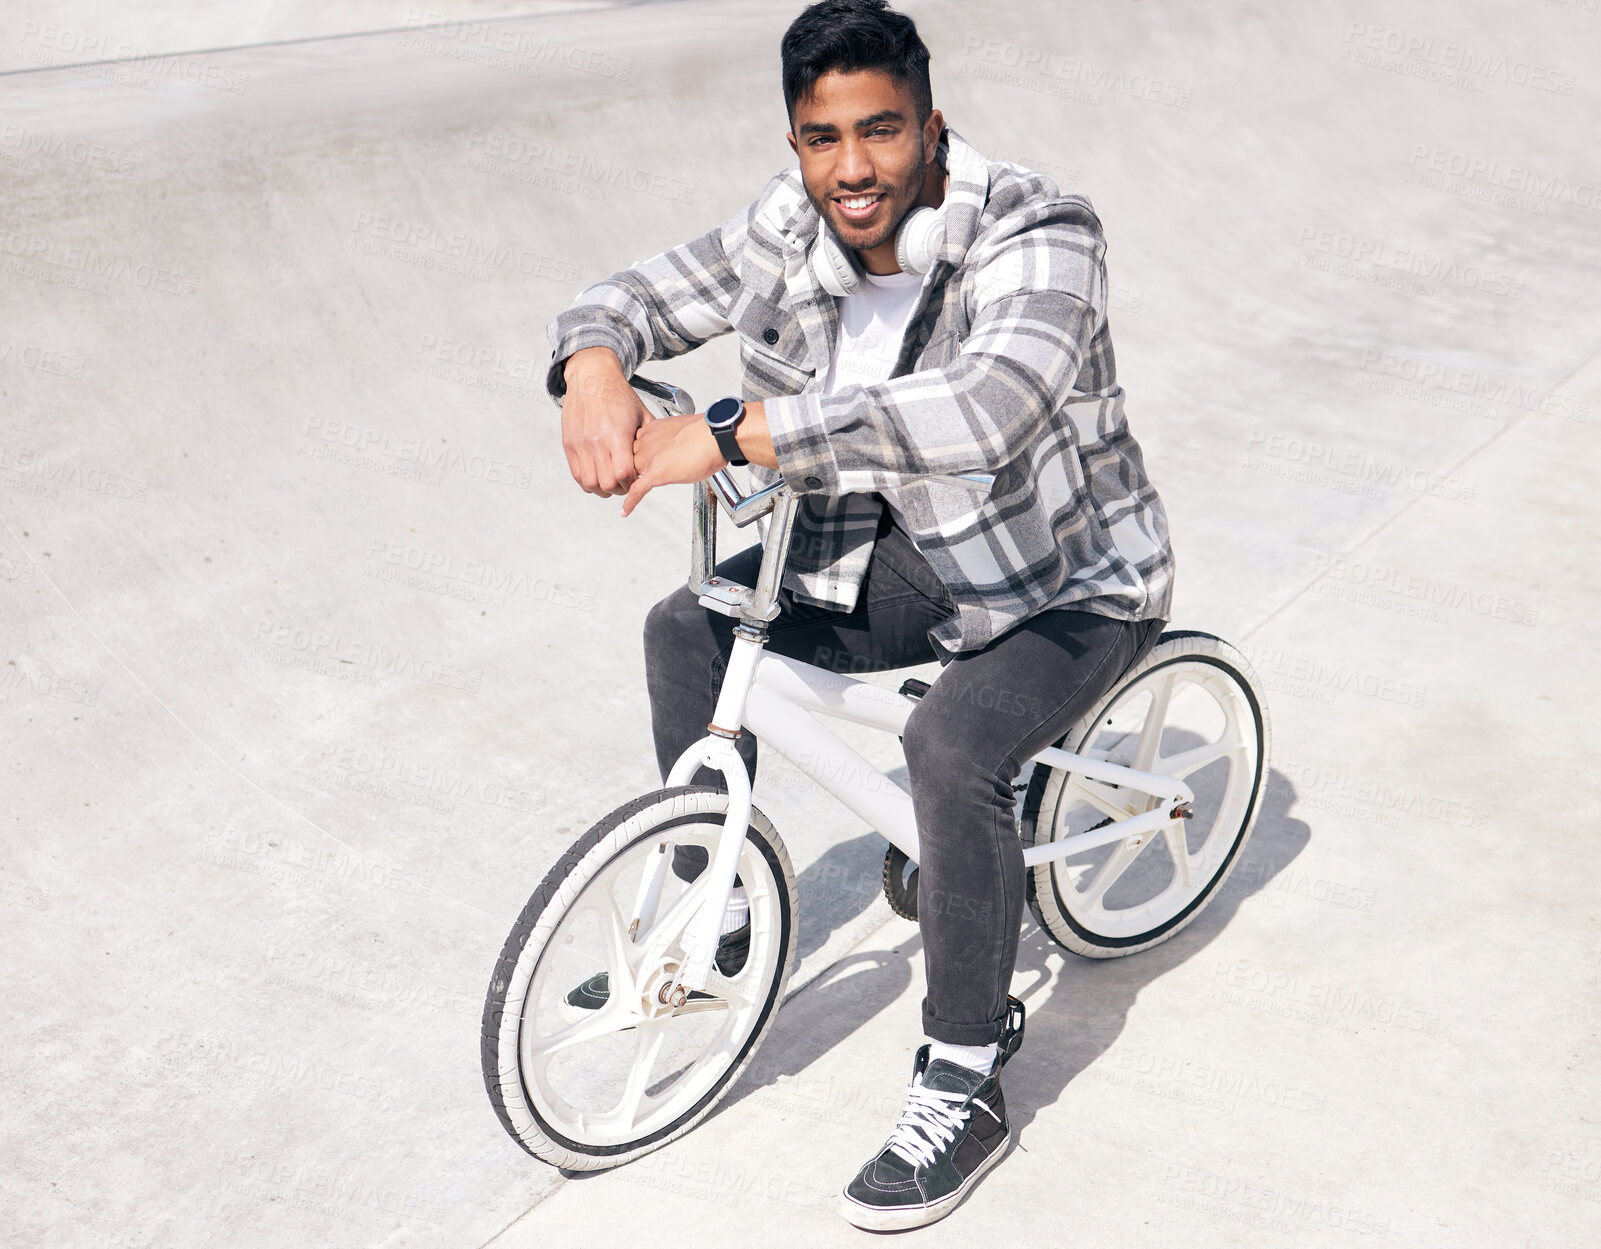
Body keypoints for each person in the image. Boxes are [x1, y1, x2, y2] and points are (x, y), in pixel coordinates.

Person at [544, 0, 1174, 1229]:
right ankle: (708, 920)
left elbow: (983, 410)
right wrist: (592, 372)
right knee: (689, 628)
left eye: (880, 133)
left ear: (930, 127)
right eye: (820, 139)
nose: (851, 169)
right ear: (794, 143)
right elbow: (625, 295)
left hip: (1063, 575)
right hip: (894, 557)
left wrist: (731, 430)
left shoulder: (1040, 230)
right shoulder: (788, 227)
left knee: (950, 748)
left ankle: (966, 1071)